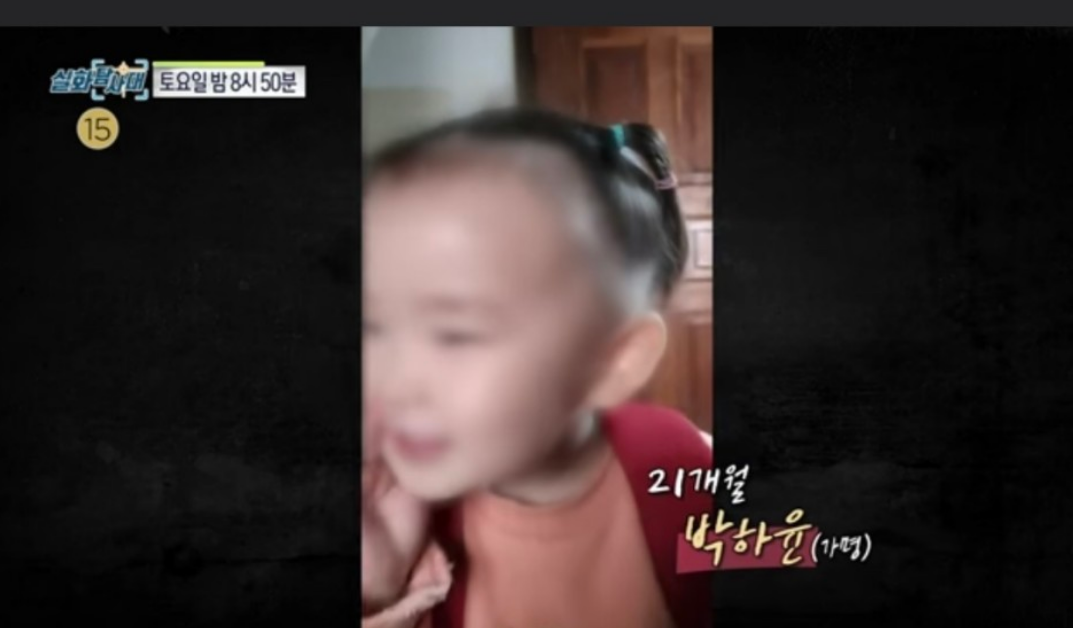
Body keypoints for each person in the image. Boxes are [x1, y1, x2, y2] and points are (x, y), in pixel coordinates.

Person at [361, 107, 712, 628]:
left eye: (456, 334)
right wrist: (381, 591)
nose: (388, 381)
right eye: (372, 327)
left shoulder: (674, 464)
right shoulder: (396, 505)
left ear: (612, 363)